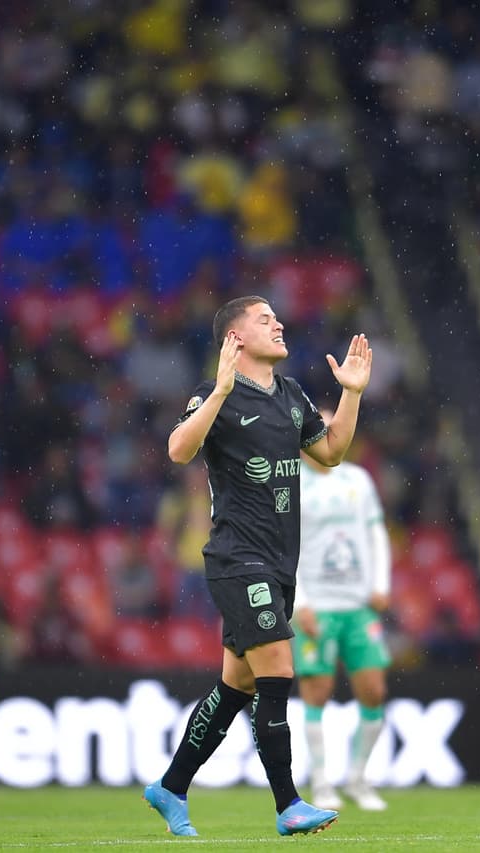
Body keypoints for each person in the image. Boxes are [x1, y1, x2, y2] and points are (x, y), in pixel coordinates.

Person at [143, 295, 371, 838]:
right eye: (265, 320)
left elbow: (331, 453)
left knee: (236, 687)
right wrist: (220, 391)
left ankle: (171, 786)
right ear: (236, 338)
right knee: (278, 670)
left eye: (277, 318)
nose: (279, 324)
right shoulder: (214, 393)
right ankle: (288, 804)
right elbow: (178, 450)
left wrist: (351, 394)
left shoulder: (290, 394)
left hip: (279, 562)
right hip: (237, 558)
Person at [292, 415, 392, 812]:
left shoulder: (358, 480)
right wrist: (299, 603)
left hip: (358, 605)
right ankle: (320, 783)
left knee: (374, 690)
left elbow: (376, 533)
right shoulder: (292, 482)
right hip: (317, 605)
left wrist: (381, 583)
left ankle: (357, 778)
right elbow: (284, 547)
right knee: (317, 692)